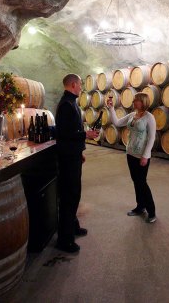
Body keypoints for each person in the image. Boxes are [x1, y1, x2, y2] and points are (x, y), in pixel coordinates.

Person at [54, 74, 100, 253]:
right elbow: (64, 134)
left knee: (74, 193)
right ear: (73, 84)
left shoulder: (71, 102)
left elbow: (73, 130)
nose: (81, 87)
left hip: (73, 156)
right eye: (80, 84)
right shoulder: (66, 105)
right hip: (67, 158)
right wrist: (85, 135)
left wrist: (80, 151)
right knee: (69, 196)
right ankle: (64, 241)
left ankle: (73, 226)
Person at [106, 92, 157, 223]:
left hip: (141, 155)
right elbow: (117, 123)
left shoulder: (149, 117)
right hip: (130, 153)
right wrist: (111, 108)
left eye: (136, 100)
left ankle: (152, 212)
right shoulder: (132, 115)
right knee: (136, 181)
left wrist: (145, 156)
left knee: (142, 182)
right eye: (134, 100)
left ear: (143, 102)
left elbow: (152, 138)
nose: (134, 102)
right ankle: (140, 207)